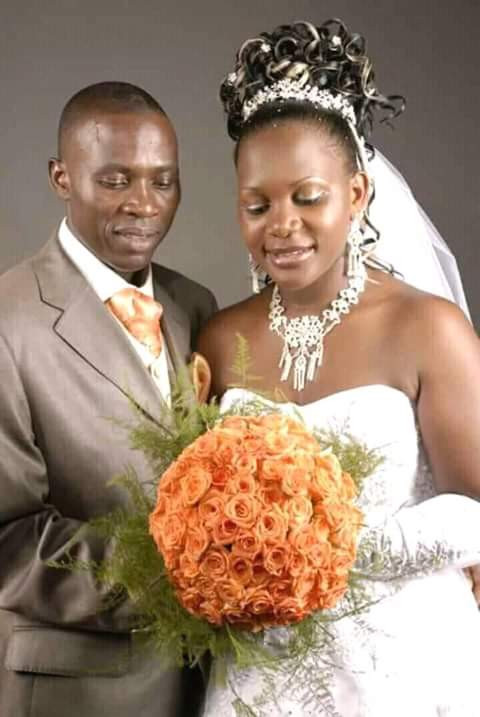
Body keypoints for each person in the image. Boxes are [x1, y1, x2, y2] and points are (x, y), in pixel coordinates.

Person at [197, 20, 480, 716]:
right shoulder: (221, 338)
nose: (281, 224)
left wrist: (334, 547)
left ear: (356, 195)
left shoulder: (427, 329)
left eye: (308, 197)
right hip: (259, 681)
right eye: (257, 205)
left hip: (403, 673)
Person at [0, 81, 217, 717]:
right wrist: (182, 570)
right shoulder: (9, 322)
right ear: (62, 177)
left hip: (204, 685)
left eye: (163, 181)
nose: (144, 203)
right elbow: (8, 538)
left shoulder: (193, 304)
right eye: (116, 180)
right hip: (78, 690)